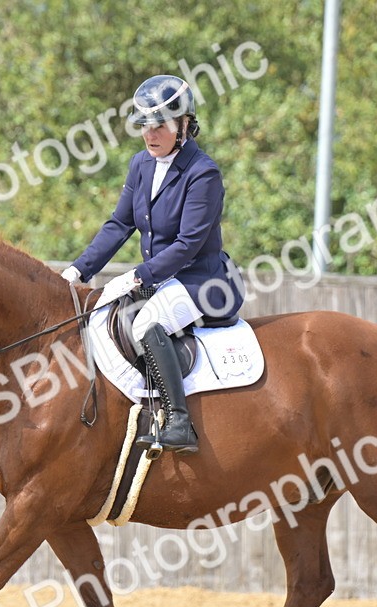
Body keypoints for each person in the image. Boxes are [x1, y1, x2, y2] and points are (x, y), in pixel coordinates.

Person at [63, 75, 244, 455]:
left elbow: (188, 244)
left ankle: (180, 422)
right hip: (164, 280)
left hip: (204, 282)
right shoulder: (141, 165)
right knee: (106, 319)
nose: (150, 133)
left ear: (183, 126)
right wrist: (78, 270)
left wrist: (136, 276)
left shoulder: (203, 173)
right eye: (145, 124)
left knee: (146, 323)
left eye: (160, 124)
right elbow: (120, 224)